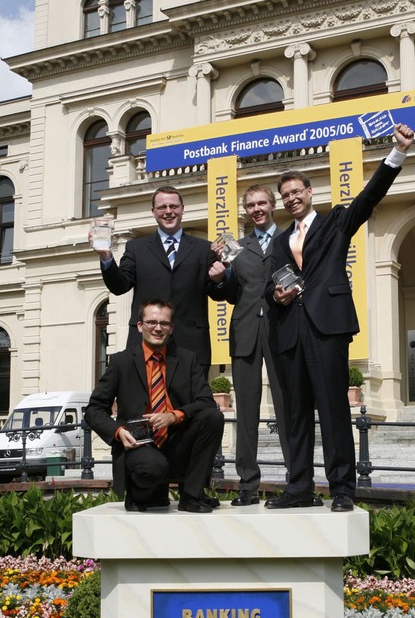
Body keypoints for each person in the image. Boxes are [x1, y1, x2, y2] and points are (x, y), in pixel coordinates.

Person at [265, 121, 415, 512]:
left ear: (310, 193)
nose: (292, 199)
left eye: (297, 192)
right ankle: (298, 486)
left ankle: (342, 489)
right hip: (289, 332)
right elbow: (271, 283)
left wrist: (396, 153)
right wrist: (277, 295)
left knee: (333, 408)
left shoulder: (335, 222)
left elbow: (368, 198)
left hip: (327, 327)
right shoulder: (280, 241)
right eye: (286, 195)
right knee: (294, 413)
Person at [85, 299, 224, 514]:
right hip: (138, 445)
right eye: (151, 322)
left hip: (176, 441)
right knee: (153, 467)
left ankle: (192, 496)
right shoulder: (121, 362)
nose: (158, 328)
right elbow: (93, 410)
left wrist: (174, 416)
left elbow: (206, 402)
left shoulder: (187, 360)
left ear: (171, 328)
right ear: (140, 326)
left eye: (164, 323)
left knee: (213, 418)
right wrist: (118, 432)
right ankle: (140, 494)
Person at [211, 184, 290, 505]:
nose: (256, 208)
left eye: (262, 203)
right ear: (246, 210)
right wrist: (220, 277)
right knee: (245, 411)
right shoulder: (235, 247)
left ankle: (297, 480)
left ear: (273, 206)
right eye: (250, 205)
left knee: (289, 408)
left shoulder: (290, 239)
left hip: (281, 329)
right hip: (244, 331)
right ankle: (247, 484)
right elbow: (228, 293)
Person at [94, 185, 226, 371]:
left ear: (182, 209)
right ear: (153, 212)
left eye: (174, 206)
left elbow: (219, 294)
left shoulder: (204, 249)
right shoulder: (136, 248)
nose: (168, 212)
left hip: (191, 345)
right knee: (145, 400)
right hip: (145, 344)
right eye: (162, 207)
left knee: (189, 401)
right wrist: (106, 257)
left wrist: (219, 279)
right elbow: (120, 286)